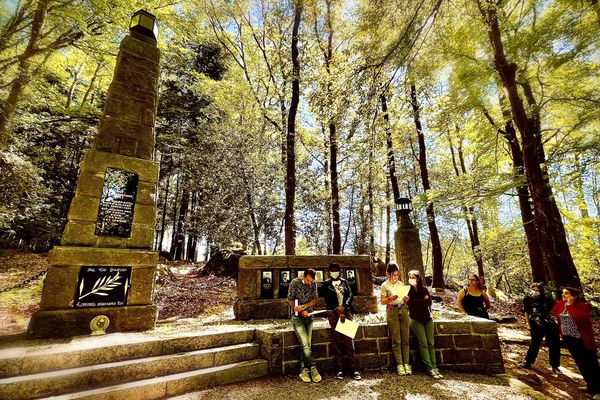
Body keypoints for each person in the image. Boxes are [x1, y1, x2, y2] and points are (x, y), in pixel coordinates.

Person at [552, 287, 600, 398]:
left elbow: (580, 318)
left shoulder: (583, 306)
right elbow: (556, 315)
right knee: (580, 362)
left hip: (583, 339)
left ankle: (598, 387)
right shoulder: (559, 304)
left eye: (567, 293)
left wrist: (570, 306)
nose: (564, 295)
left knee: (591, 363)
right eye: (563, 293)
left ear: (574, 295)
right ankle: (590, 384)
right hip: (569, 339)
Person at [323, 263, 361, 380]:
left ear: (339, 271)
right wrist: (337, 309)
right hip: (333, 313)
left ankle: (353, 369)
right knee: (337, 340)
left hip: (346, 311)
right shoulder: (326, 284)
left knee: (349, 340)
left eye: (336, 270)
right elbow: (327, 299)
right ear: (329, 271)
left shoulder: (344, 282)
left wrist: (344, 306)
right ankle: (339, 370)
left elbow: (350, 295)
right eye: (332, 270)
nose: (334, 272)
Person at [287, 268, 321, 383]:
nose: (309, 283)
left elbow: (315, 300)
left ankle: (304, 370)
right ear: (303, 276)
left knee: (307, 344)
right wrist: (300, 311)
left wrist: (304, 307)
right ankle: (313, 367)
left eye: (311, 281)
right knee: (305, 342)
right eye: (307, 280)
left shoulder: (313, 283)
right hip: (297, 317)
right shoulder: (294, 283)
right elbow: (290, 300)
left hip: (309, 316)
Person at [407, 270, 443, 379]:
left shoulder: (424, 289)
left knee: (431, 343)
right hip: (415, 320)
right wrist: (421, 301)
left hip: (427, 319)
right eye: (410, 277)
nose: (411, 279)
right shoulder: (408, 291)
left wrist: (418, 302)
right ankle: (429, 368)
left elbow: (429, 302)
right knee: (423, 343)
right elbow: (410, 304)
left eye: (413, 277)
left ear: (418, 278)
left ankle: (434, 366)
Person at [519, 282, 561, 373]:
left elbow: (552, 308)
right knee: (535, 342)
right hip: (535, 322)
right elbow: (526, 312)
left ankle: (555, 366)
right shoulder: (528, 299)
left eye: (537, 290)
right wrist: (528, 324)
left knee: (554, 343)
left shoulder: (547, 299)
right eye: (533, 290)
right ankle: (528, 362)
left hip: (548, 322)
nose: (535, 292)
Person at [380, 263, 412, 376]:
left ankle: (406, 363)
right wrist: (390, 298)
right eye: (393, 275)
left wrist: (406, 298)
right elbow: (382, 301)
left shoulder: (401, 284)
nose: (395, 277)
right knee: (396, 339)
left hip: (403, 309)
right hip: (392, 311)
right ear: (388, 274)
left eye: (397, 275)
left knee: (405, 338)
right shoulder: (384, 285)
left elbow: (404, 297)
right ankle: (399, 364)